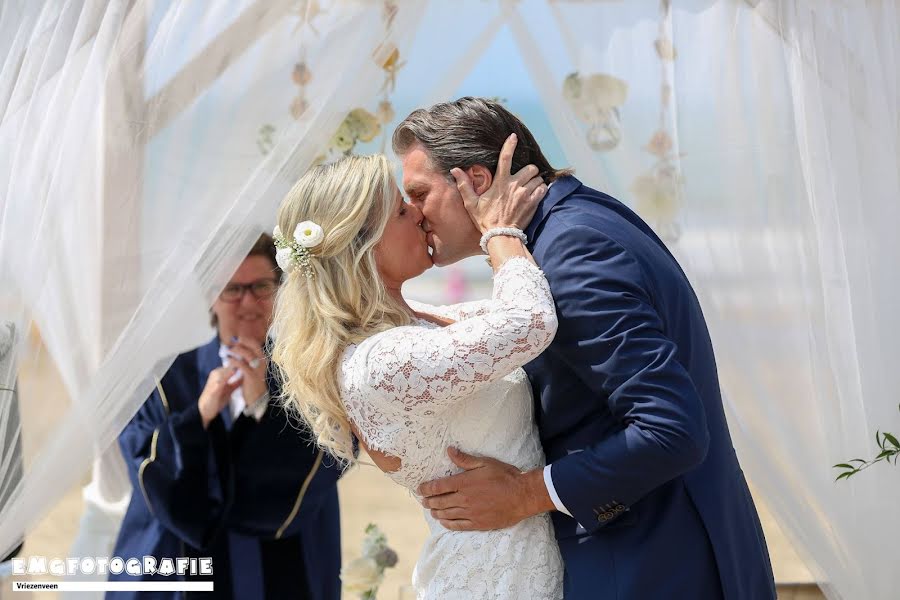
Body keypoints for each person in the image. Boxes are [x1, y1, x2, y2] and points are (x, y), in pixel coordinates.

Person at [397, 97, 777, 599]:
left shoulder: (572, 251)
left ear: (476, 181)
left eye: (419, 193)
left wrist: (524, 494)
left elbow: (672, 429)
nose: (415, 215)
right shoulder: (577, 219)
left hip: (654, 565)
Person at [270, 150, 563, 599]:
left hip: (513, 562)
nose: (421, 215)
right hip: (492, 578)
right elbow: (531, 322)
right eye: (402, 211)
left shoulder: (418, 323)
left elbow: (519, 312)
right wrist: (499, 232)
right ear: (363, 245)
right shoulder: (381, 363)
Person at [110, 234, 342, 600]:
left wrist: (263, 409)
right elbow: (143, 458)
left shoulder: (310, 377)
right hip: (178, 569)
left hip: (285, 567)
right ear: (209, 297)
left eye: (261, 286)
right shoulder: (163, 380)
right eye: (232, 289)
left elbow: (328, 460)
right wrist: (200, 415)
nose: (248, 301)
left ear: (280, 290)